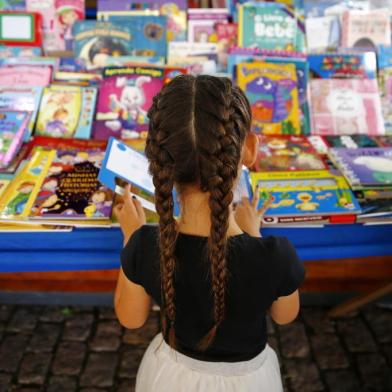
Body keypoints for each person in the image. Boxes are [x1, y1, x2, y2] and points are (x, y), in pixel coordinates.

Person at [114, 75, 305, 391]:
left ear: (157, 158)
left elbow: (131, 318)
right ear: (249, 149)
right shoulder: (274, 255)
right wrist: (254, 234)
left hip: (168, 379)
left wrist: (131, 235)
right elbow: (285, 316)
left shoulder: (145, 245)